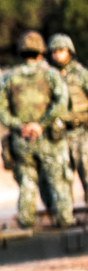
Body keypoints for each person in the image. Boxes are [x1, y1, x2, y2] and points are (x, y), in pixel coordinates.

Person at [0, 31, 72, 228]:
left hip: (22, 140)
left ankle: (26, 221)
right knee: (58, 180)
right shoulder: (50, 74)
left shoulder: (9, 77)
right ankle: (64, 220)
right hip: (49, 138)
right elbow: (61, 102)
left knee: (27, 180)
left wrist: (20, 127)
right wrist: (41, 124)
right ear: (41, 51)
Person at [49, 34, 88, 206]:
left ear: (69, 51)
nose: (57, 54)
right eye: (54, 51)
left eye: (61, 50)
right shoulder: (50, 76)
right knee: (62, 179)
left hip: (82, 134)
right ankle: (65, 215)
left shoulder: (82, 74)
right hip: (59, 135)